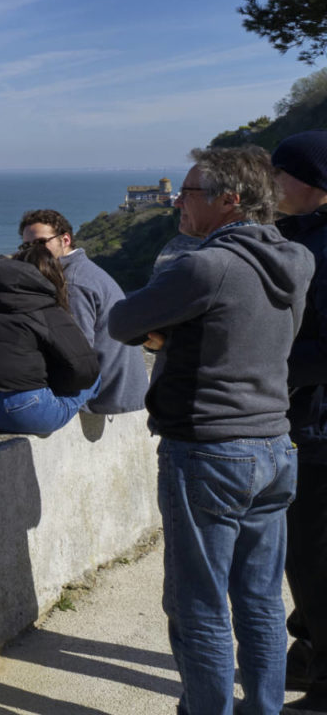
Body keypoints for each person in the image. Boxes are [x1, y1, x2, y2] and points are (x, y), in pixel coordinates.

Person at [109, 146, 312, 715]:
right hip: (274, 444)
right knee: (261, 600)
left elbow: (121, 320)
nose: (178, 201)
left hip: (210, 450)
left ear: (229, 201)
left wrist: (165, 338)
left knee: (198, 604)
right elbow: (251, 334)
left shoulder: (205, 266)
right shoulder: (297, 259)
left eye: (190, 192)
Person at [273, 130, 327, 712]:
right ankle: (309, 647)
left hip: (318, 426)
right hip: (301, 420)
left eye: (279, 172)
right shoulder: (297, 235)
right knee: (302, 550)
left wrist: (270, 365)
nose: (269, 182)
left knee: (315, 554)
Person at [0, 242, 100, 434]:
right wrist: (53, 385)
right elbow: (83, 370)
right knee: (96, 375)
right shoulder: (48, 310)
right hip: (23, 412)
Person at [18, 208, 149, 414]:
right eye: (27, 245)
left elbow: (77, 353)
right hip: (123, 392)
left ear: (66, 239)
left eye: (41, 243)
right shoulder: (85, 271)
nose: (33, 251)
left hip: (106, 397)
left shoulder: (73, 283)